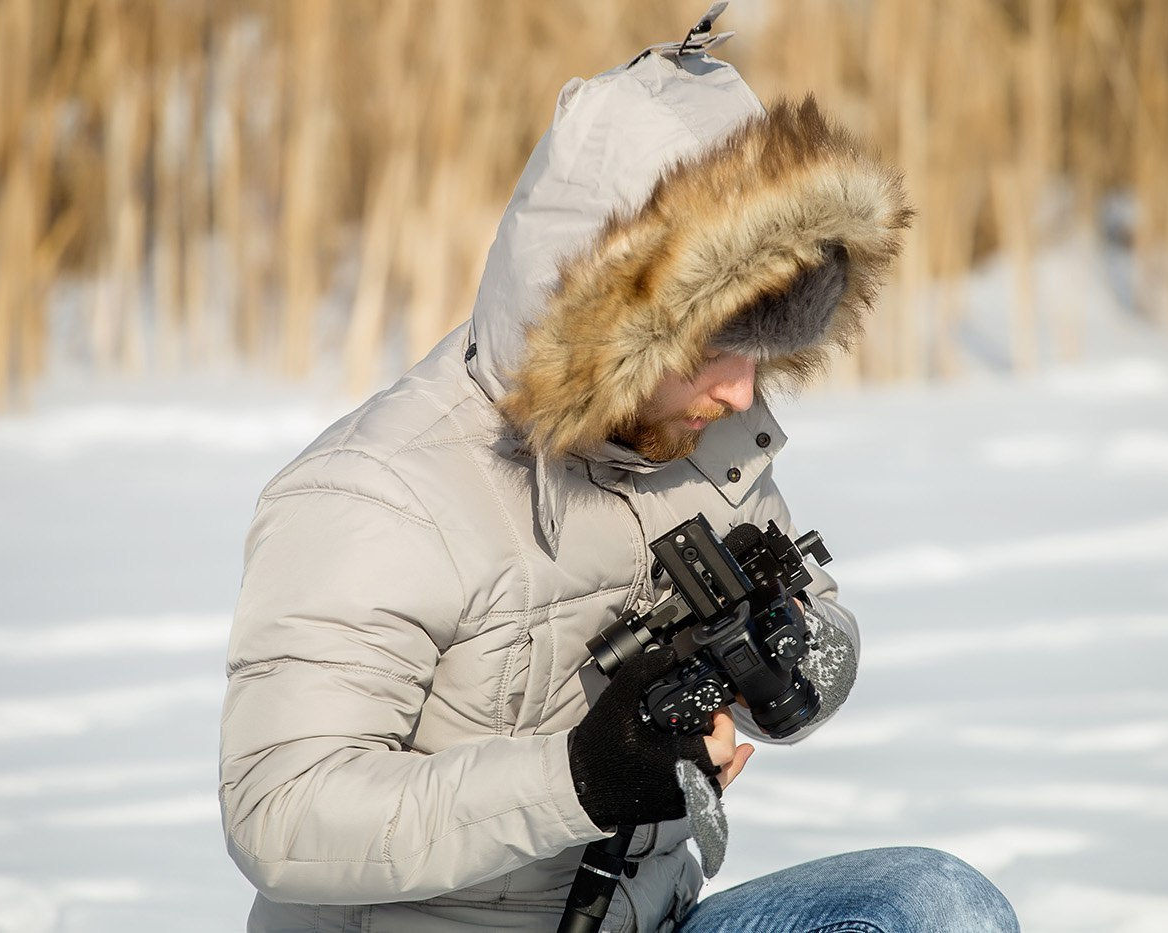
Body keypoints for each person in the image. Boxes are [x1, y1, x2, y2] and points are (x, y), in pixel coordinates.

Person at [220, 19, 1020, 933]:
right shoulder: (378, 496)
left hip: (648, 920)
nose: (741, 389)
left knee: (936, 907)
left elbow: (819, 613)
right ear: (609, 323)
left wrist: (790, 646)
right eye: (718, 344)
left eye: (763, 346)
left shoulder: (699, 432)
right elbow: (279, 813)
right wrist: (582, 777)